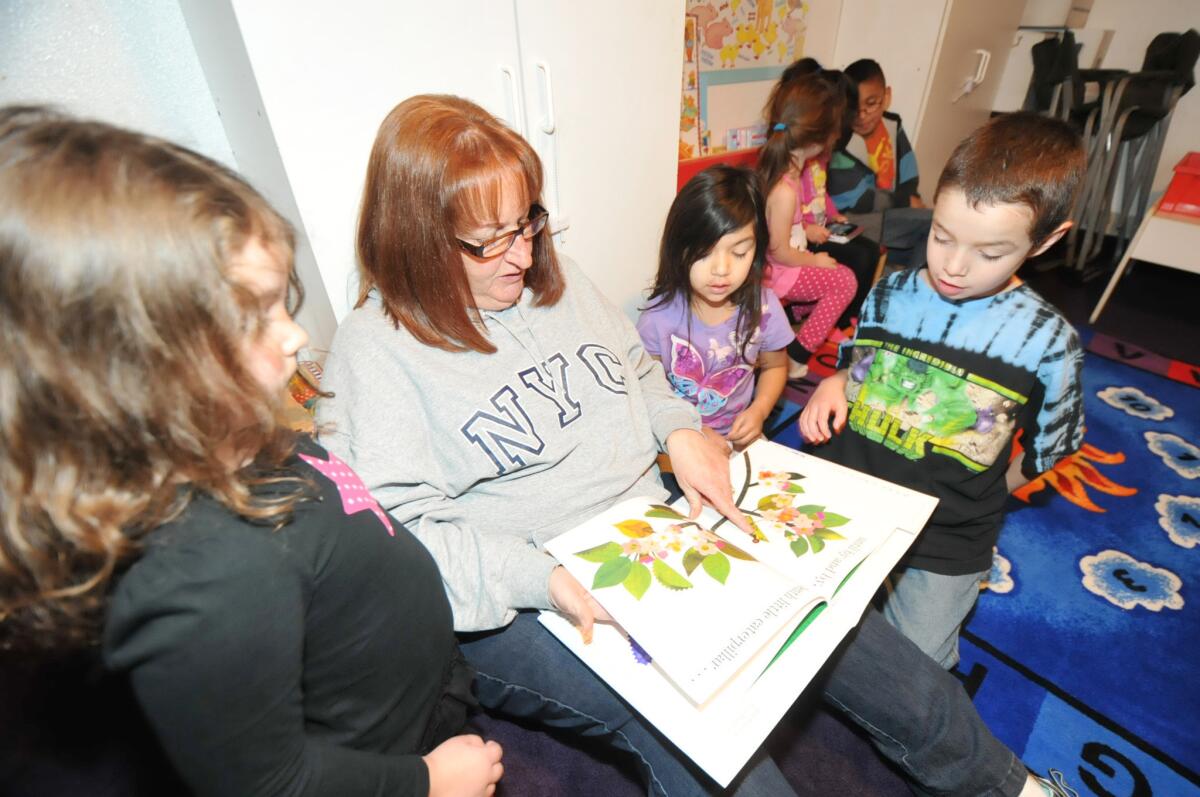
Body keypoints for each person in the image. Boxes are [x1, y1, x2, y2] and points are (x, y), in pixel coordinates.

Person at [316, 93, 1078, 797]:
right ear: (416, 238)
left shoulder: (553, 275)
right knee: (701, 731)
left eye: (528, 223)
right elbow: (403, 538)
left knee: (829, 622)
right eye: (490, 241)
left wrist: (681, 431)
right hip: (521, 595)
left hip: (647, 529)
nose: (521, 254)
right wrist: (547, 579)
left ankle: (1012, 786)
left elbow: (640, 371)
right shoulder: (374, 352)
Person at [0, 106, 503, 797]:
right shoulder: (205, 579)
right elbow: (271, 782)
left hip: (403, 683)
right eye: (254, 315)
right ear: (122, 369)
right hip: (387, 751)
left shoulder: (219, 433)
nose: (295, 336)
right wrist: (427, 781)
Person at [799, 112, 1087, 671]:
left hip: (948, 531)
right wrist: (835, 381)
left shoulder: (1049, 343)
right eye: (941, 236)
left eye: (990, 252)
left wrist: (982, 491)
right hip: (850, 495)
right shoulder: (891, 291)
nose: (953, 266)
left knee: (912, 672)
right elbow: (857, 362)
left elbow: (1055, 446)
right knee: (805, 618)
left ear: (1047, 240)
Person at [637, 165, 792, 452]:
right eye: (705, 254)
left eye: (739, 253)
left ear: (756, 251)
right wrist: (693, 434)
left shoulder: (765, 307)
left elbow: (776, 366)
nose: (722, 270)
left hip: (738, 437)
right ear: (678, 250)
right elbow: (648, 393)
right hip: (678, 441)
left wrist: (759, 411)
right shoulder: (657, 318)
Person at [757, 75, 862, 381]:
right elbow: (778, 251)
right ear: (818, 139)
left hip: (786, 267)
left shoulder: (790, 174)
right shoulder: (785, 188)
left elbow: (789, 229)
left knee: (833, 276)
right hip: (779, 272)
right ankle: (795, 355)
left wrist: (809, 232)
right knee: (844, 281)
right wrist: (814, 260)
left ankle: (784, 331)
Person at [829, 58, 933, 266]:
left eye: (871, 104)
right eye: (853, 107)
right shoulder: (839, 142)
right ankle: (906, 288)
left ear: (886, 97)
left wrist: (911, 200)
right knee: (932, 224)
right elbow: (859, 201)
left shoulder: (892, 125)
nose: (862, 115)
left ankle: (905, 284)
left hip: (890, 215)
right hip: (854, 220)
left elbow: (909, 172)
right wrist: (904, 203)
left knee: (935, 238)